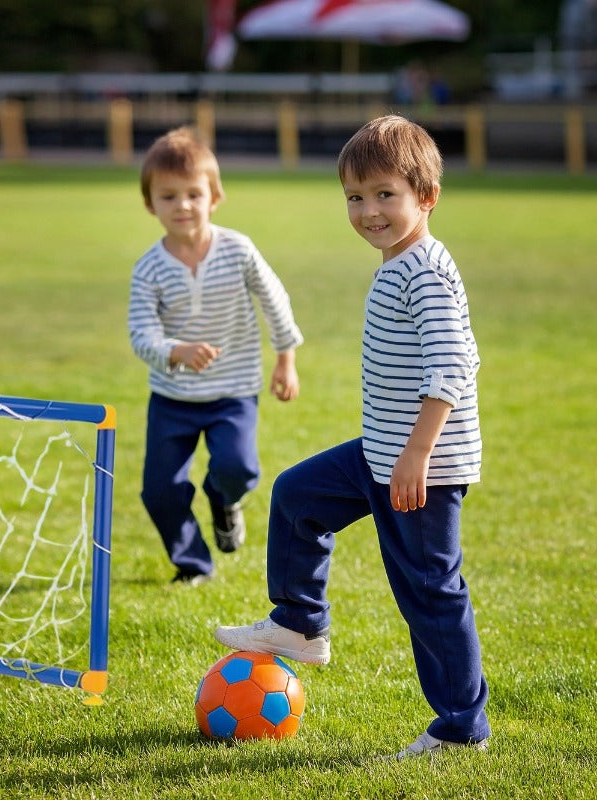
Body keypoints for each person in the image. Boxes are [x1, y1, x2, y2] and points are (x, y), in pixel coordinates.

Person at [214, 115, 490, 758]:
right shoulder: (402, 263)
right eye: (355, 197)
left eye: (385, 194)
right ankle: (300, 624)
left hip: (420, 466)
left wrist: (418, 453)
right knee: (298, 497)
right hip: (380, 452)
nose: (368, 212)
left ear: (427, 196)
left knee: (429, 592)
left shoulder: (423, 271)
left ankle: (460, 727)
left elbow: (453, 364)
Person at [128, 126, 303, 586]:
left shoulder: (238, 250)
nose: (182, 205)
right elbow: (141, 333)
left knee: (237, 468)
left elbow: (275, 300)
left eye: (193, 194)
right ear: (150, 204)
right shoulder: (148, 268)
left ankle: (224, 500)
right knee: (159, 491)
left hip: (233, 392)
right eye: (168, 196)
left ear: (215, 197)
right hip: (173, 398)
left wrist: (285, 357)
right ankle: (192, 564)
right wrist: (175, 350)